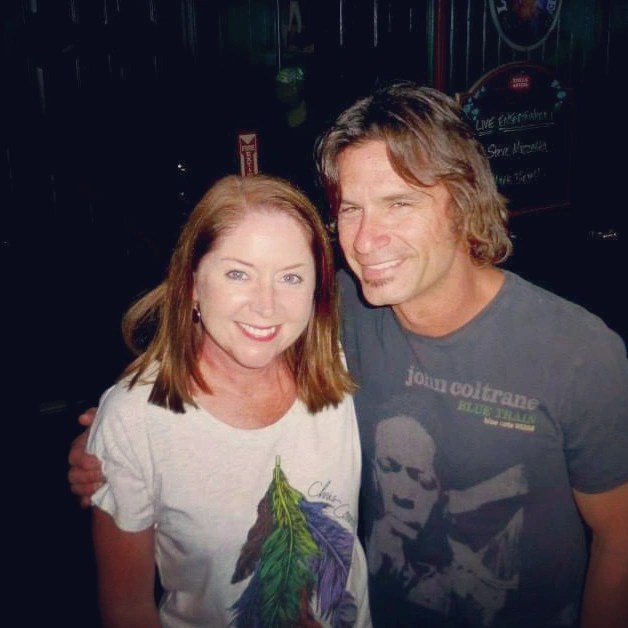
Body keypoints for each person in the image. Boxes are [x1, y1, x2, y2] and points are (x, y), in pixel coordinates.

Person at [69, 83, 628, 627]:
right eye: (352, 209)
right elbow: (238, 335)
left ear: (463, 203)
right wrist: (120, 441)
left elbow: (620, 541)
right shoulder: (342, 318)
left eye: (398, 203)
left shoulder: (576, 352)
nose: (364, 239)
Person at [75, 173, 371, 627]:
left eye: (291, 277)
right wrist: (103, 439)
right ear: (193, 282)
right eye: (238, 273)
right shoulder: (135, 419)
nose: (266, 305)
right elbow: (127, 608)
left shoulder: (338, 369)